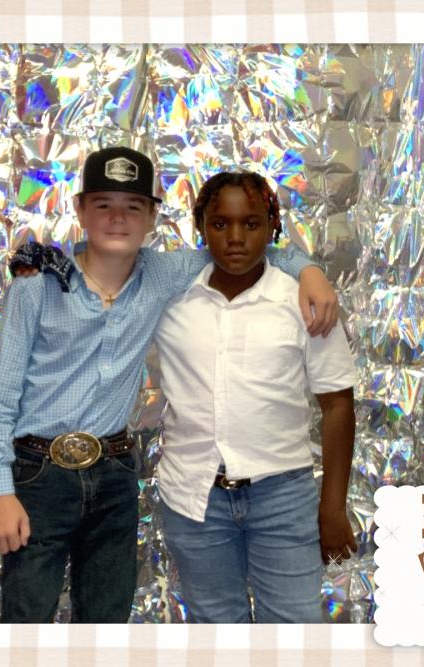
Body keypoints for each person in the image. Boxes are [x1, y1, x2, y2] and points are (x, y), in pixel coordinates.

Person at [0, 146, 340, 623]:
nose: (117, 218)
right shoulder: (36, 286)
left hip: (112, 476)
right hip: (38, 475)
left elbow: (251, 247)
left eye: (133, 207)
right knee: (27, 618)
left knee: (106, 618)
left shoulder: (164, 275)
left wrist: (309, 270)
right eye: (103, 204)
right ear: (80, 210)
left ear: (152, 217)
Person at [152, 171, 358, 623]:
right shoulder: (171, 299)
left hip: (282, 497)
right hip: (194, 497)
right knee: (217, 629)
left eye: (251, 224)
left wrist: (332, 507)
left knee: (293, 628)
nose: (235, 238)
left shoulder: (303, 301)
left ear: (271, 227)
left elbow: (337, 403)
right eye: (219, 224)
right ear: (201, 227)